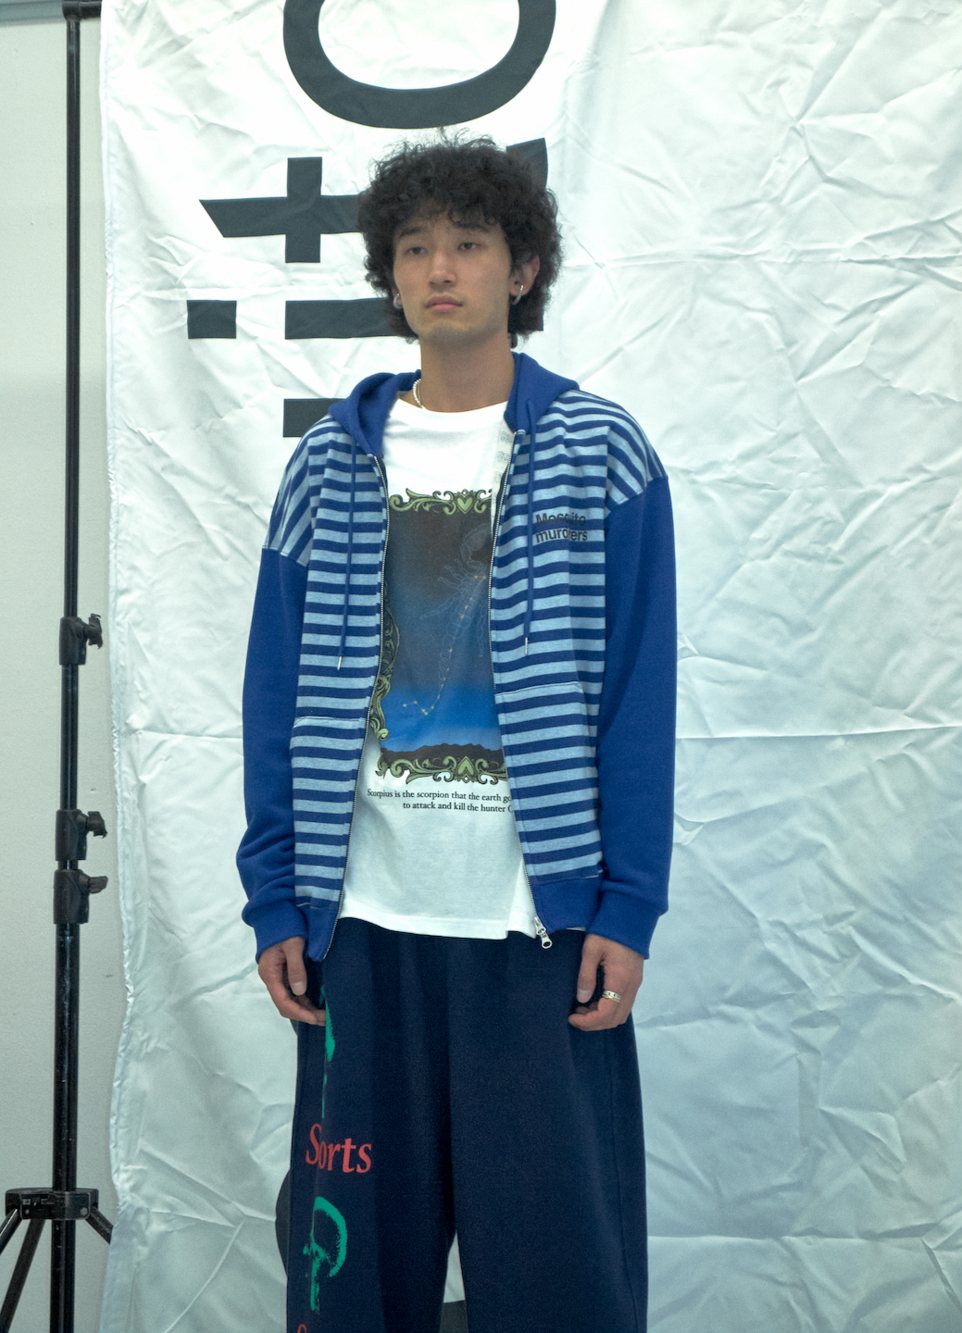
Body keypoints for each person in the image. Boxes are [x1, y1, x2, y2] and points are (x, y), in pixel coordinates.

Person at [237, 135, 676, 1333]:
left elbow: (639, 690)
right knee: (350, 1280)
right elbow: (273, 695)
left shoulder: (601, 450)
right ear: (389, 274)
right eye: (416, 247)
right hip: (360, 931)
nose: (440, 269)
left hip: (537, 936)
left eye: (470, 244)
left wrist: (626, 906)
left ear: (521, 269)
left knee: (559, 1281)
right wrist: (275, 900)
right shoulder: (329, 466)